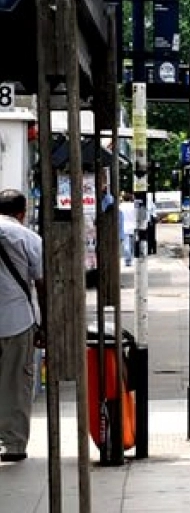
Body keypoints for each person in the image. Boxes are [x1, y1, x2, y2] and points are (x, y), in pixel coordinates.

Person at [0, 190, 44, 463]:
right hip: (17, 320)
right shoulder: (28, 238)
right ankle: (14, 444)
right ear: (22, 213)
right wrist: (46, 326)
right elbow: (42, 284)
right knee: (16, 383)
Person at [118, 192, 136, 267]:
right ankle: (130, 258)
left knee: (126, 245)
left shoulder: (120, 206)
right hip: (133, 226)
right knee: (132, 245)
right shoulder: (134, 206)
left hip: (124, 227)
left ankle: (127, 260)